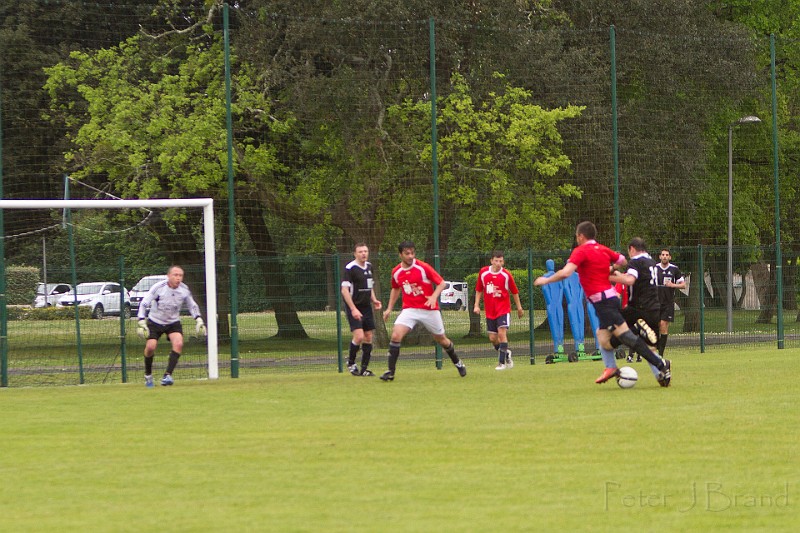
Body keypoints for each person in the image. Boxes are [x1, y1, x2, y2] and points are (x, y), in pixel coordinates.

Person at [534, 222, 671, 386]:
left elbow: (566, 272)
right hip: (609, 299)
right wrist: (609, 268)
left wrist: (547, 279)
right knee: (602, 337)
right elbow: (621, 260)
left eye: (577, 237)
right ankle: (612, 367)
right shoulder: (602, 249)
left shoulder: (581, 251)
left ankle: (659, 363)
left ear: (580, 236)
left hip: (604, 301)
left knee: (625, 335)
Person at [380, 241, 467, 381]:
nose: (410, 256)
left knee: (442, 340)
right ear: (400, 255)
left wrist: (433, 297)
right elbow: (396, 288)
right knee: (396, 335)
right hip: (410, 309)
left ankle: (458, 362)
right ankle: (390, 372)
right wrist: (389, 308)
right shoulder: (396, 272)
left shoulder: (422, 267)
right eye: (407, 253)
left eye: (412, 253)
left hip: (429, 309)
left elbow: (442, 283)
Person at [136, 265, 206, 387]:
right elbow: (144, 303)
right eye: (175, 275)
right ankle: (148, 375)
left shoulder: (184, 290)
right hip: (155, 321)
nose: (178, 278)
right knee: (151, 347)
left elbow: (192, 305)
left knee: (178, 343)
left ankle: (167, 375)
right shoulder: (159, 288)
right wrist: (141, 321)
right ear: (168, 276)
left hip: (173, 322)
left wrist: (199, 320)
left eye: (180, 275)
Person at [609, 238, 665, 380]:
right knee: (650, 348)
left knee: (612, 332)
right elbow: (637, 279)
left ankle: (635, 331)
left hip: (637, 309)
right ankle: (662, 372)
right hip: (653, 308)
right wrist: (616, 274)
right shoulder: (652, 262)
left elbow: (630, 280)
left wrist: (610, 277)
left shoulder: (635, 262)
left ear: (632, 249)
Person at [473, 251, 524, 370]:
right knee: (492, 338)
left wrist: (519, 307)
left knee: (502, 334)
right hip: (490, 311)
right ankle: (506, 354)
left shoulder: (506, 275)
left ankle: (501, 363)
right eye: (496, 260)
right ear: (491, 261)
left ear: (503, 262)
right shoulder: (483, 273)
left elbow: (514, 292)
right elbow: (479, 290)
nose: (498, 263)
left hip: (503, 309)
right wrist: (476, 305)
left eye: (501, 261)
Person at [340, 243, 382, 377]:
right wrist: (353, 309)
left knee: (368, 337)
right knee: (359, 336)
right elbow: (344, 290)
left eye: (365, 251)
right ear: (355, 254)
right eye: (360, 252)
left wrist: (374, 300)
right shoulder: (350, 268)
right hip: (354, 306)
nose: (363, 254)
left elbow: (370, 286)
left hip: (366, 306)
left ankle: (364, 369)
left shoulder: (369, 266)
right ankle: (351, 363)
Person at [655, 248, 686, 357]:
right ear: (660, 257)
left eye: (666, 255)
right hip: (655, 302)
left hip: (668, 303)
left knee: (663, 325)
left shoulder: (674, 269)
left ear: (670, 257)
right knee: (656, 325)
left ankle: (660, 353)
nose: (664, 256)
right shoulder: (655, 268)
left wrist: (673, 285)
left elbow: (683, 285)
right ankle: (658, 347)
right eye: (662, 254)